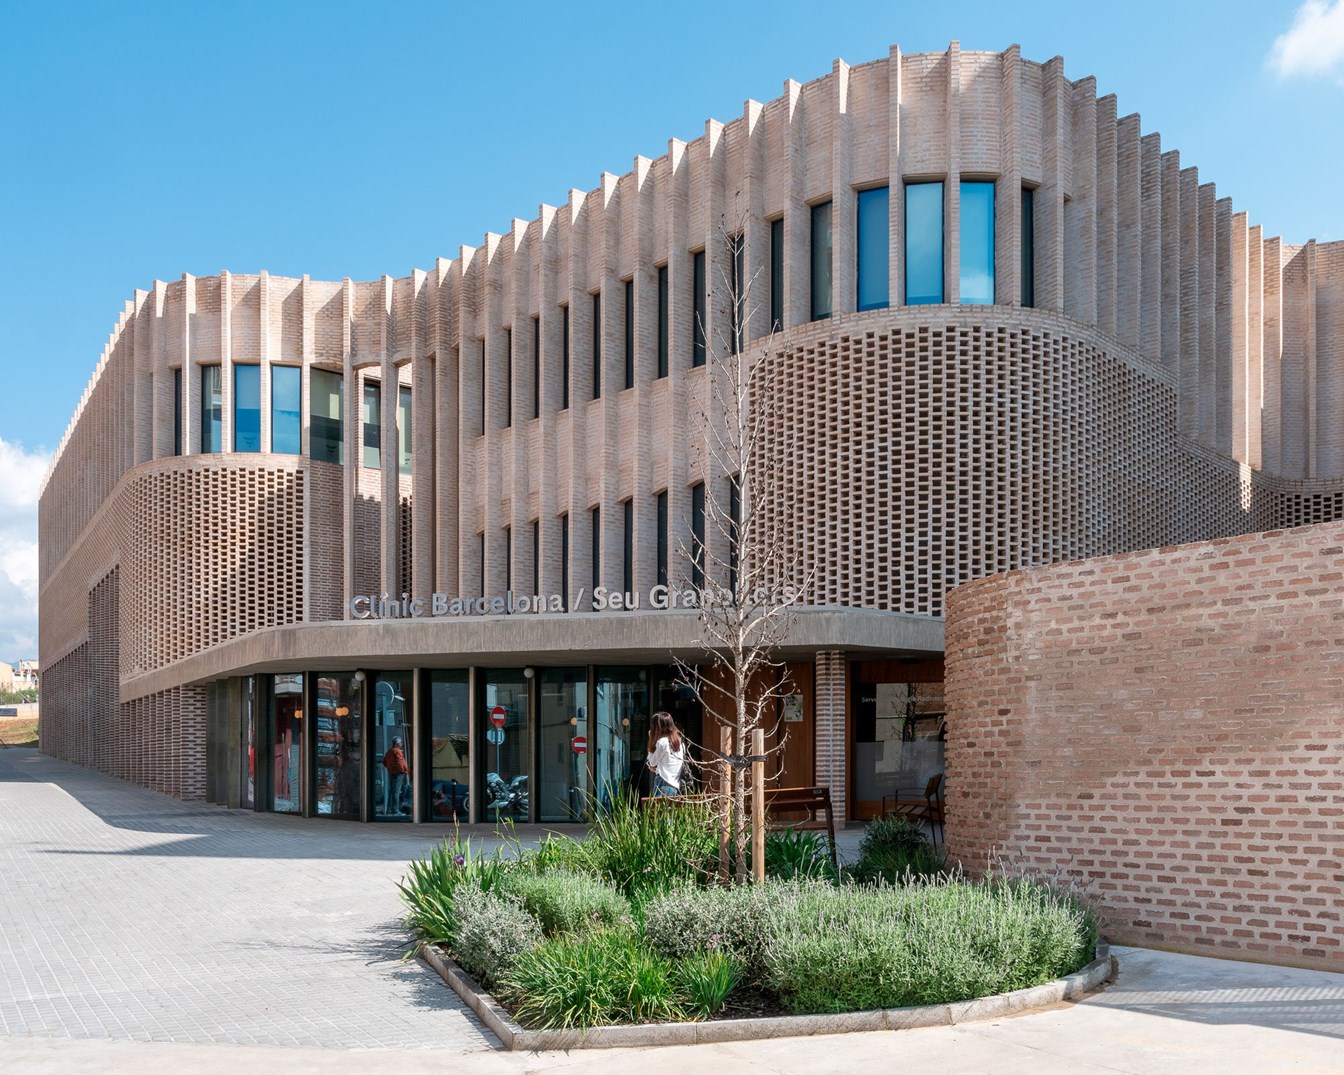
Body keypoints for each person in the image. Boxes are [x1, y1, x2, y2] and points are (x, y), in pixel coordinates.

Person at [645, 711, 685, 797]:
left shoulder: (662, 742)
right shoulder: (680, 743)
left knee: (659, 810)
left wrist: (651, 739)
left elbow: (652, 762)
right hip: (675, 784)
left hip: (663, 784)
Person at [383, 735, 410, 815]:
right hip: (398, 774)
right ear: (397, 743)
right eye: (401, 742)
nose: (401, 743)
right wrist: (404, 771)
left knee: (392, 791)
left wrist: (390, 768)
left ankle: (389, 810)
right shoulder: (397, 751)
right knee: (396, 792)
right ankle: (396, 811)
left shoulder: (389, 751)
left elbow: (384, 762)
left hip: (391, 773)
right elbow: (400, 762)